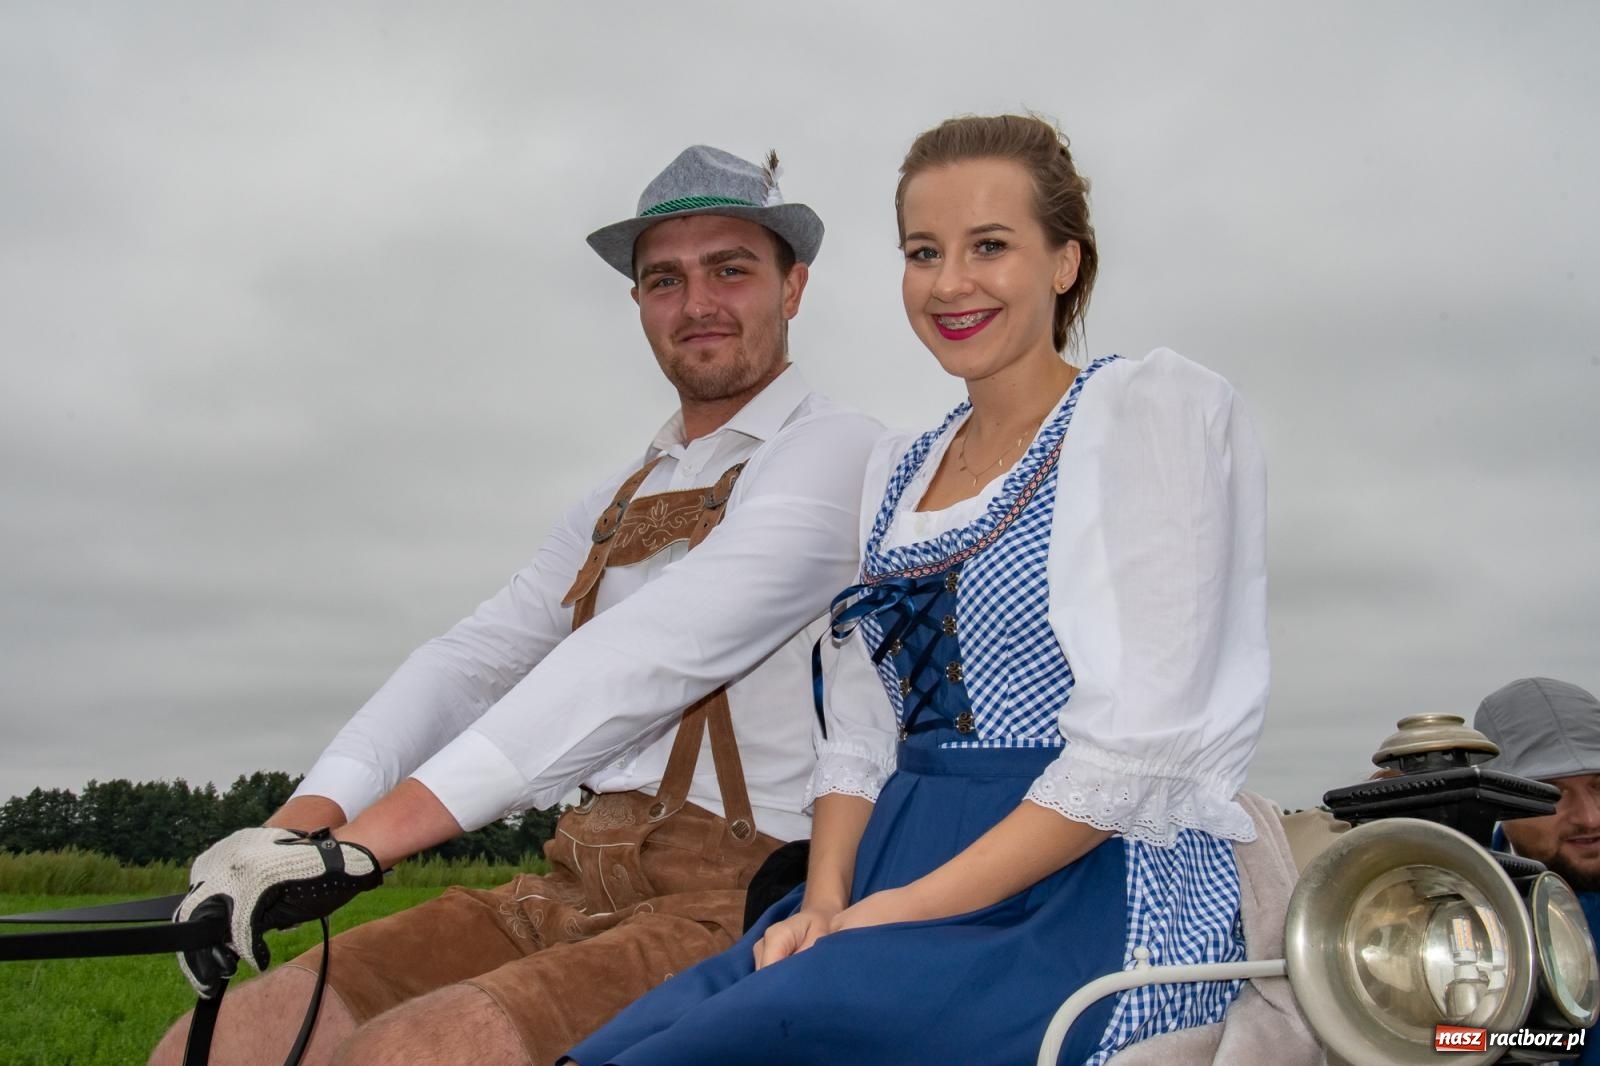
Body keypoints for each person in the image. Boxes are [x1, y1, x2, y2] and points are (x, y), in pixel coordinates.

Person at [150, 145, 883, 1066]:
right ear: (639, 305)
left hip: (741, 895)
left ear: (794, 287)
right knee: (220, 1042)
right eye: (665, 280)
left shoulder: (841, 453)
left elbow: (652, 653)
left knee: (417, 1051)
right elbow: (474, 659)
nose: (697, 304)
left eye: (730, 270)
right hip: (574, 878)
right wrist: (300, 825)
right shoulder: (621, 495)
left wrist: (369, 845)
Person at [565, 113, 1269, 1066]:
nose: (950, 284)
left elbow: (1136, 753)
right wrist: (825, 903)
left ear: (1064, 261)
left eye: (990, 246)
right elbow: (859, 734)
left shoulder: (1146, 416)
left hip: (1074, 880)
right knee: (631, 1040)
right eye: (922, 252)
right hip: (893, 859)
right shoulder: (901, 470)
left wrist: (887, 917)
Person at [1475, 676, 1600, 1064]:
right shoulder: (1453, 903)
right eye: (1551, 792)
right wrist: (1528, 1044)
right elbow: (1438, 1040)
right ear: (1498, 799)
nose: (1590, 818)